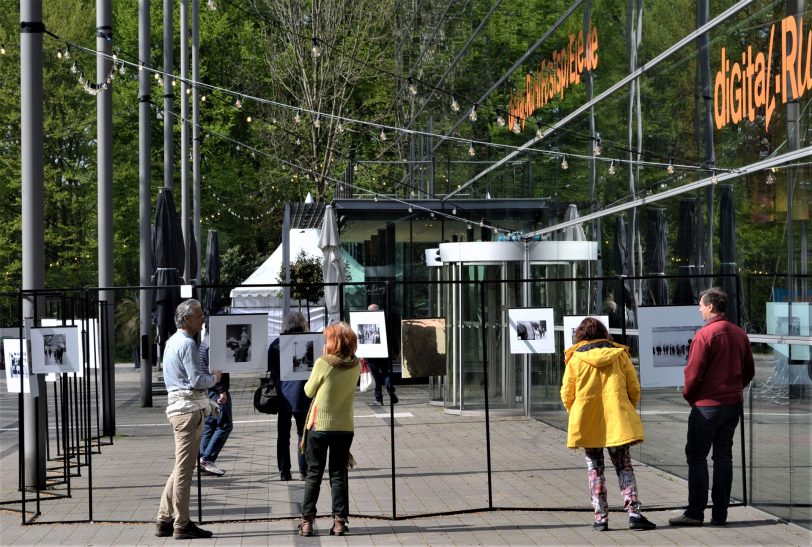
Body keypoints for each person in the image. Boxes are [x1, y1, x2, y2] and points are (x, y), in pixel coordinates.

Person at [560, 317, 657, 532]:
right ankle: (634, 513)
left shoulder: (575, 359)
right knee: (624, 465)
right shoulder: (619, 355)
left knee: (595, 467)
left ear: (580, 336)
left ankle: (600, 518)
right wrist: (625, 408)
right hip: (617, 420)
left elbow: (567, 393)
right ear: (604, 333)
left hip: (587, 420)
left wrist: (576, 412)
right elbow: (634, 387)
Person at [669, 287, 755, 527]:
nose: (699, 309)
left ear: (710, 306)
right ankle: (720, 514)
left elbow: (693, 373)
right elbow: (749, 370)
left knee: (697, 456)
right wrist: (736, 388)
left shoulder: (705, 335)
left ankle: (695, 512)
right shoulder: (739, 334)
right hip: (732, 403)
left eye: (701, 305)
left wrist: (691, 397)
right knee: (723, 456)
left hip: (707, 406)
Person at [155, 299, 222, 540]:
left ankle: (164, 519)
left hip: (179, 409)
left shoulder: (172, 342)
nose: (203, 318)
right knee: (185, 470)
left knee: (181, 467)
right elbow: (195, 381)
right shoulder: (187, 344)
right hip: (187, 411)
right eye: (199, 315)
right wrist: (214, 378)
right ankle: (181, 523)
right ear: (186, 319)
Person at [298, 322, 361, 537]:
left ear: (333, 342)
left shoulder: (324, 363)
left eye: (327, 339)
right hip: (344, 426)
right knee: (338, 474)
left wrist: (323, 358)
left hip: (320, 426)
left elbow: (308, 391)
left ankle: (307, 521)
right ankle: (340, 521)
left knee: (314, 474)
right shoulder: (356, 364)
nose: (325, 342)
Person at [268, 311, 311, 481]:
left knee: (283, 435)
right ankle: (304, 470)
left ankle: (284, 471)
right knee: (303, 433)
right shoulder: (309, 343)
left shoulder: (277, 344)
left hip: (283, 395)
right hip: (302, 394)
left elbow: (269, 369)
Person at [198, 324, 232, 477]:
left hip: (209, 388)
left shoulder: (206, 341)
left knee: (210, 424)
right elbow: (215, 370)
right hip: (216, 389)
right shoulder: (214, 345)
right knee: (225, 424)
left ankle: (203, 460)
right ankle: (207, 459)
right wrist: (222, 391)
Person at [366, 304, 398, 405]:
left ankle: (379, 399)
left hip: (372, 354)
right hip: (385, 353)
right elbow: (393, 337)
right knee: (386, 373)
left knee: (376, 376)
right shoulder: (386, 321)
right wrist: (396, 350)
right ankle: (390, 390)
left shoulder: (366, 322)